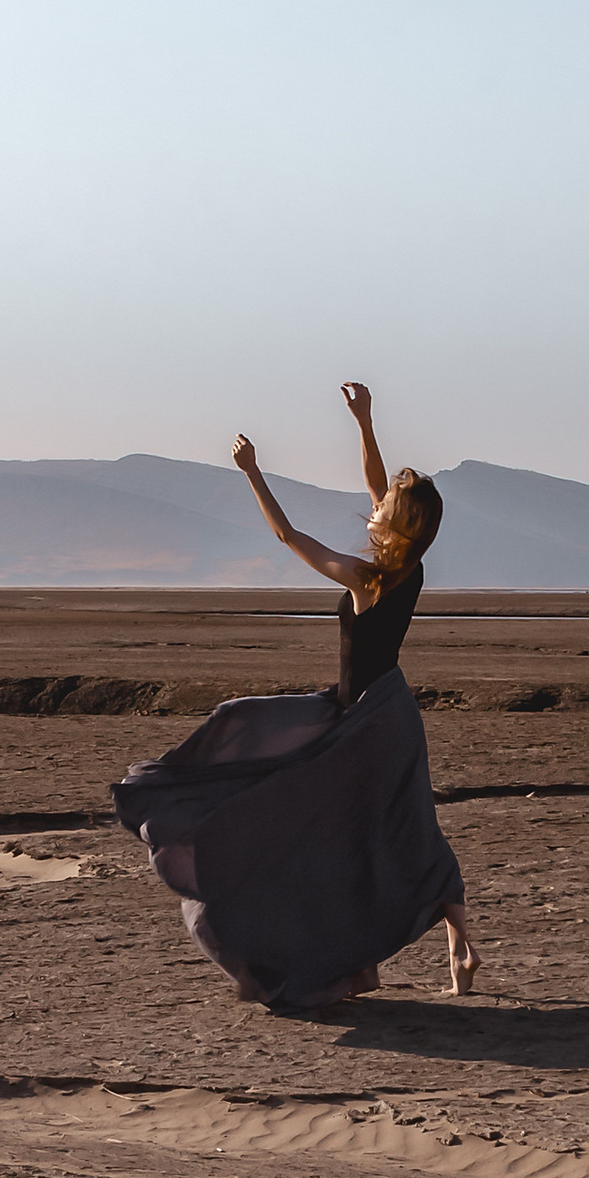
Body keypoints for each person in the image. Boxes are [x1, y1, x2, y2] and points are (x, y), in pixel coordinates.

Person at [111, 381, 480, 1012]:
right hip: (387, 710)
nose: (374, 503)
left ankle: (352, 943)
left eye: (386, 504)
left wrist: (252, 473)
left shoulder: (366, 577)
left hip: (362, 720)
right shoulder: (409, 566)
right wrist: (365, 421)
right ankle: (457, 945)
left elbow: (288, 536)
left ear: (397, 523)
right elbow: (378, 483)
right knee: (404, 829)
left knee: (309, 796)